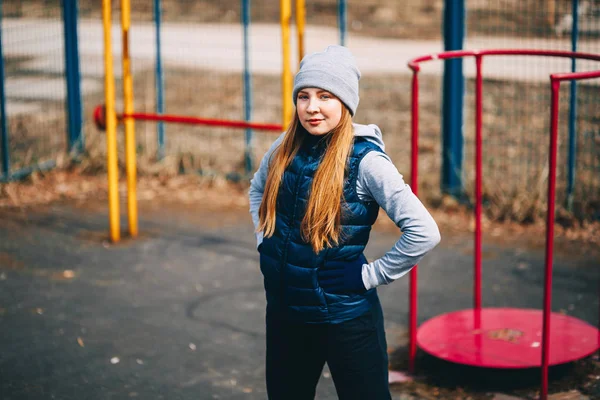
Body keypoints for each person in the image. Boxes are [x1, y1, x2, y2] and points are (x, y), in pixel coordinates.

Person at [248, 45, 440, 400]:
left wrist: (372, 275)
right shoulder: (284, 147)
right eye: (303, 96)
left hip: (346, 321)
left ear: (346, 103)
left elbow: (424, 231)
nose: (312, 107)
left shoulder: (367, 161)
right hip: (286, 316)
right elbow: (257, 189)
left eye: (325, 95)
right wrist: (265, 240)